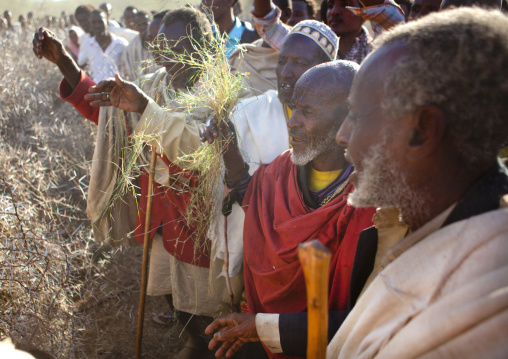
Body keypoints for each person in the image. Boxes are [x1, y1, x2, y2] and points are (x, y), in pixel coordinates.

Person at [33, 7, 231, 359]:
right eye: (158, 46)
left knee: (205, 296)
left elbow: (200, 152)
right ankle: (193, 342)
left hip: (201, 218)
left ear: (199, 46)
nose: (164, 56)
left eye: (175, 47)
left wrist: (145, 107)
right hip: (160, 212)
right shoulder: (155, 82)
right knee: (172, 289)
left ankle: (209, 346)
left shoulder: (217, 92)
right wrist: (64, 61)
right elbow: (105, 111)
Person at [325, 7, 508, 358]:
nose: (342, 135)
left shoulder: (476, 308)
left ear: (422, 131)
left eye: (358, 115)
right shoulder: (422, 225)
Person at [204, 60, 375, 359]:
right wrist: (229, 150)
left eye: (308, 112)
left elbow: (364, 318)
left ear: (349, 119)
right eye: (294, 107)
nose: (292, 121)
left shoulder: (375, 200)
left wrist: (261, 328)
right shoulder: (280, 169)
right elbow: (254, 200)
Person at [208, 20, 342, 318]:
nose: (286, 71)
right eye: (282, 61)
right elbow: (235, 185)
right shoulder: (248, 111)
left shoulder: (340, 127)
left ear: (325, 69)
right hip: (257, 251)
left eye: (299, 63)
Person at [252, 0, 405, 64]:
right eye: (331, 5)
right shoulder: (311, 46)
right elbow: (269, 26)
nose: (335, 12)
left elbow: (393, 21)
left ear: (365, 13)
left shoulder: (377, 50)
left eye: (346, 4)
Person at [78, 10, 128, 83]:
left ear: (107, 22)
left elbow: (128, 68)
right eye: (94, 22)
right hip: (97, 90)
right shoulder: (87, 44)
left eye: (100, 22)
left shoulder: (120, 43)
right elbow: (81, 64)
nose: (97, 26)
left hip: (118, 89)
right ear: (91, 25)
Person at [120, 10, 163, 80]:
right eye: (139, 25)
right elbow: (126, 72)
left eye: (145, 24)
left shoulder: (160, 43)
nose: (142, 27)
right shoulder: (131, 47)